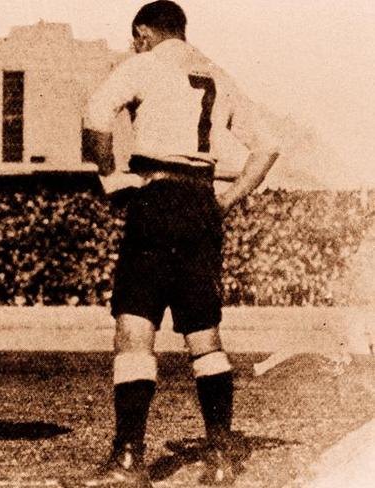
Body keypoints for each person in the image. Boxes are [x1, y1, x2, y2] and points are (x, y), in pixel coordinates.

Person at [82, 1, 280, 485]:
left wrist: (110, 178)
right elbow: (268, 146)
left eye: (136, 37)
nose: (135, 45)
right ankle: (220, 458)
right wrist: (227, 200)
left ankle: (129, 462)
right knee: (204, 334)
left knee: (134, 328)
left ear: (144, 32)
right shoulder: (219, 73)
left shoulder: (145, 63)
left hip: (158, 198)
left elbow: (95, 116)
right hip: (201, 202)